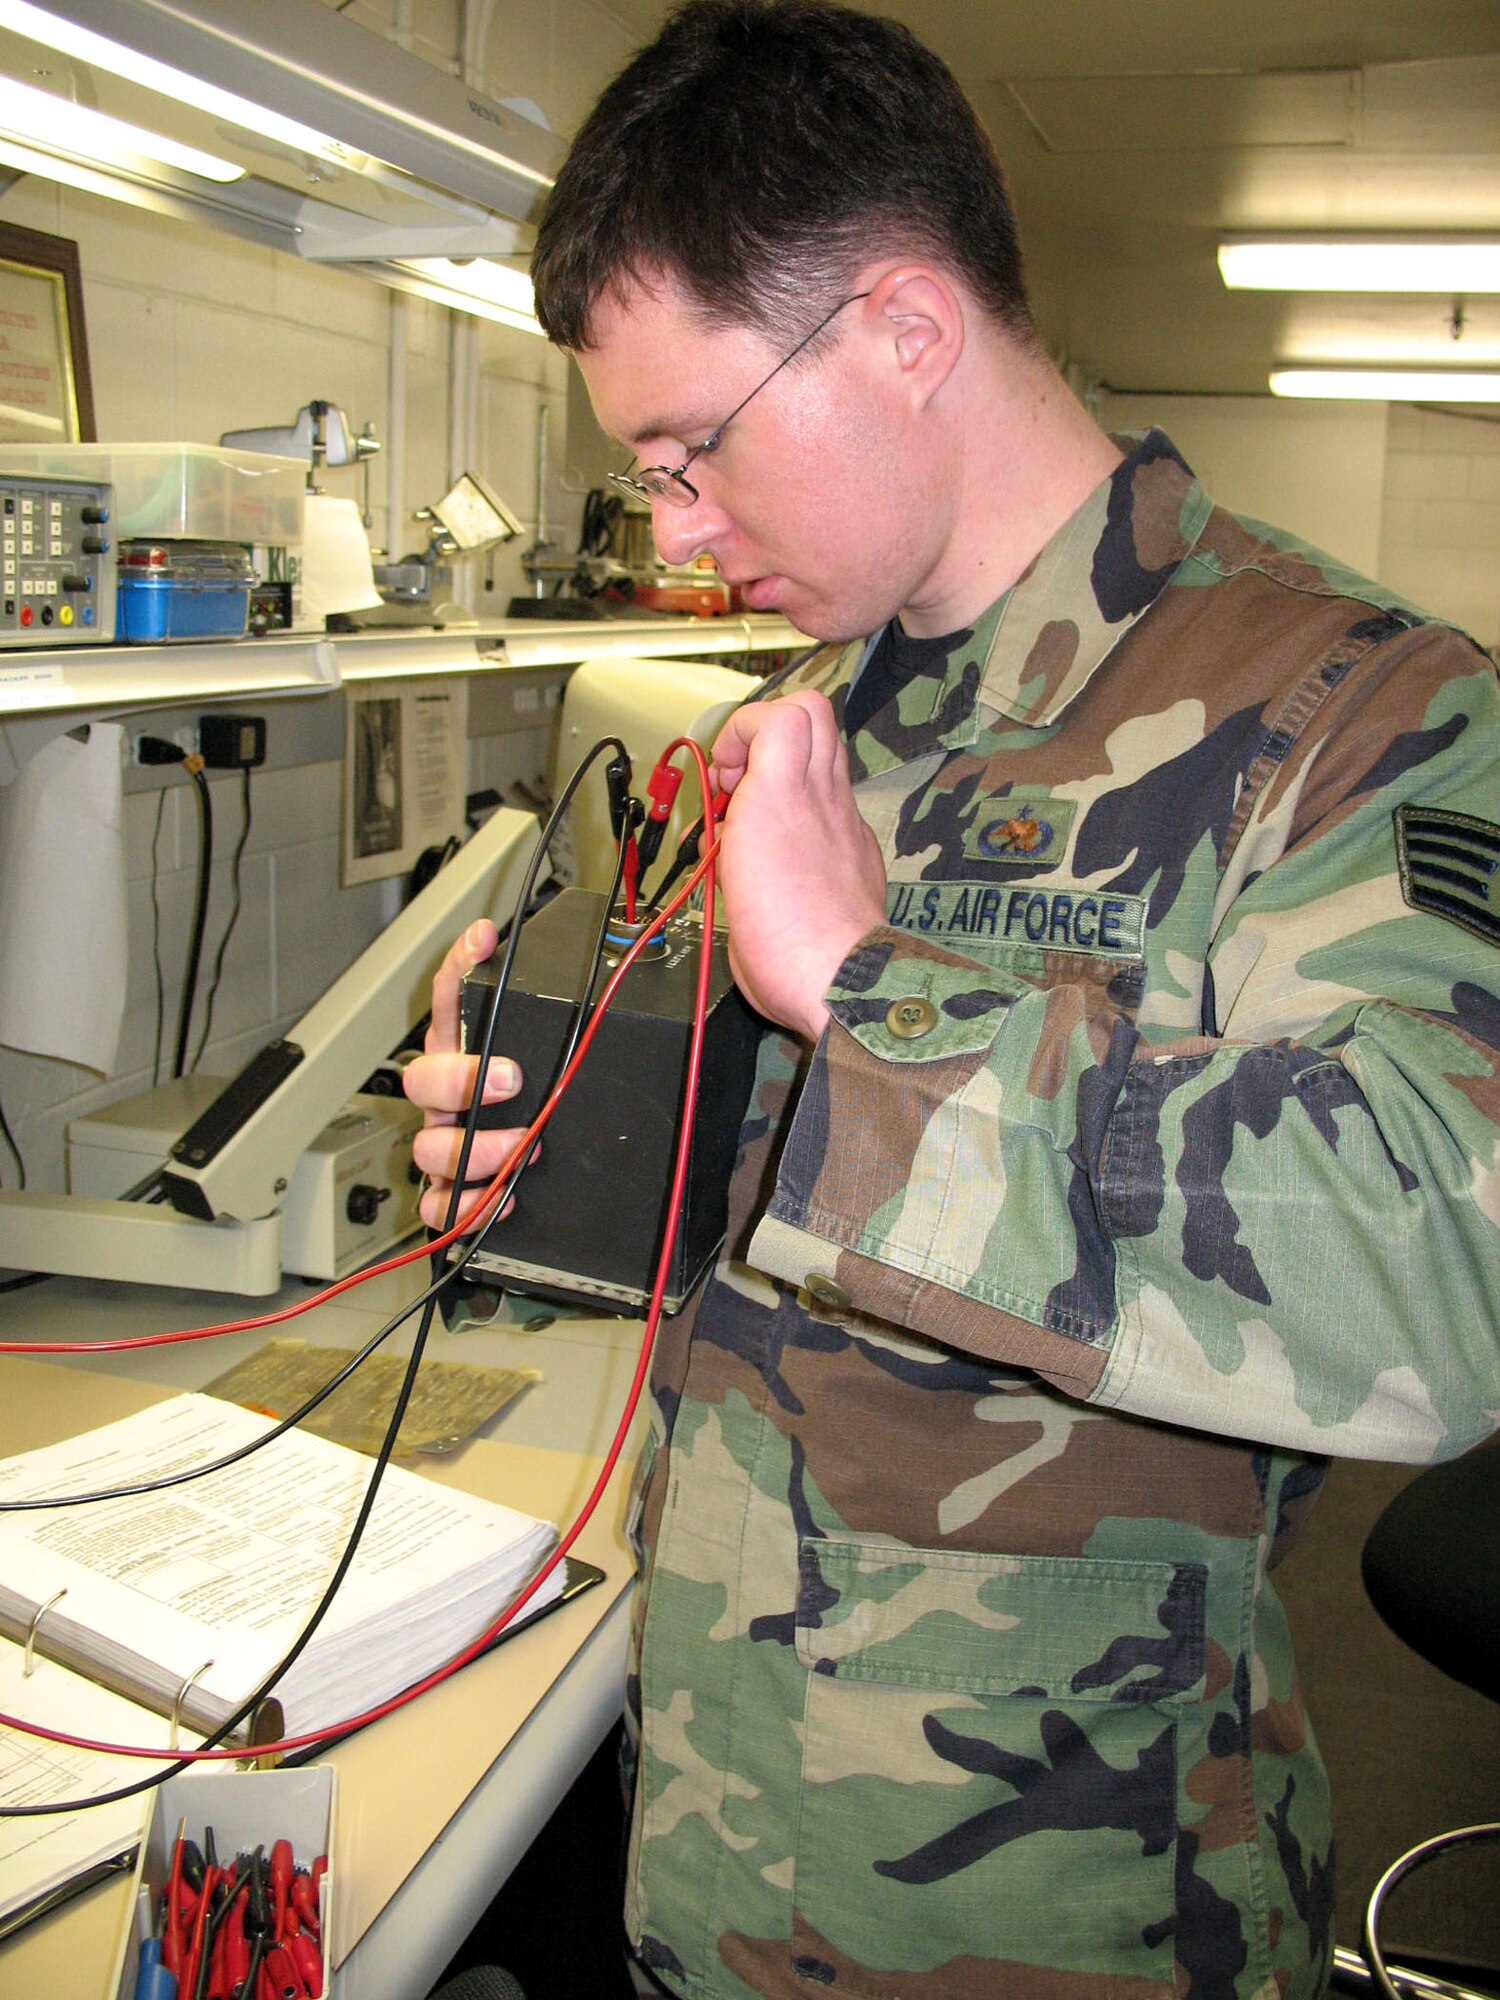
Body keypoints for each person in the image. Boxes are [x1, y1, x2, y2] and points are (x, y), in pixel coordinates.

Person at [404, 4, 1500, 1994]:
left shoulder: (1364, 718)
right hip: (720, 1856)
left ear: (907, 331)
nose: (671, 528)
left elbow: (1444, 1276)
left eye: (689, 450)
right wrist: (561, 1164)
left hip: (1056, 1923)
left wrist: (865, 990)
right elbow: (786, 1232)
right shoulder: (811, 724)